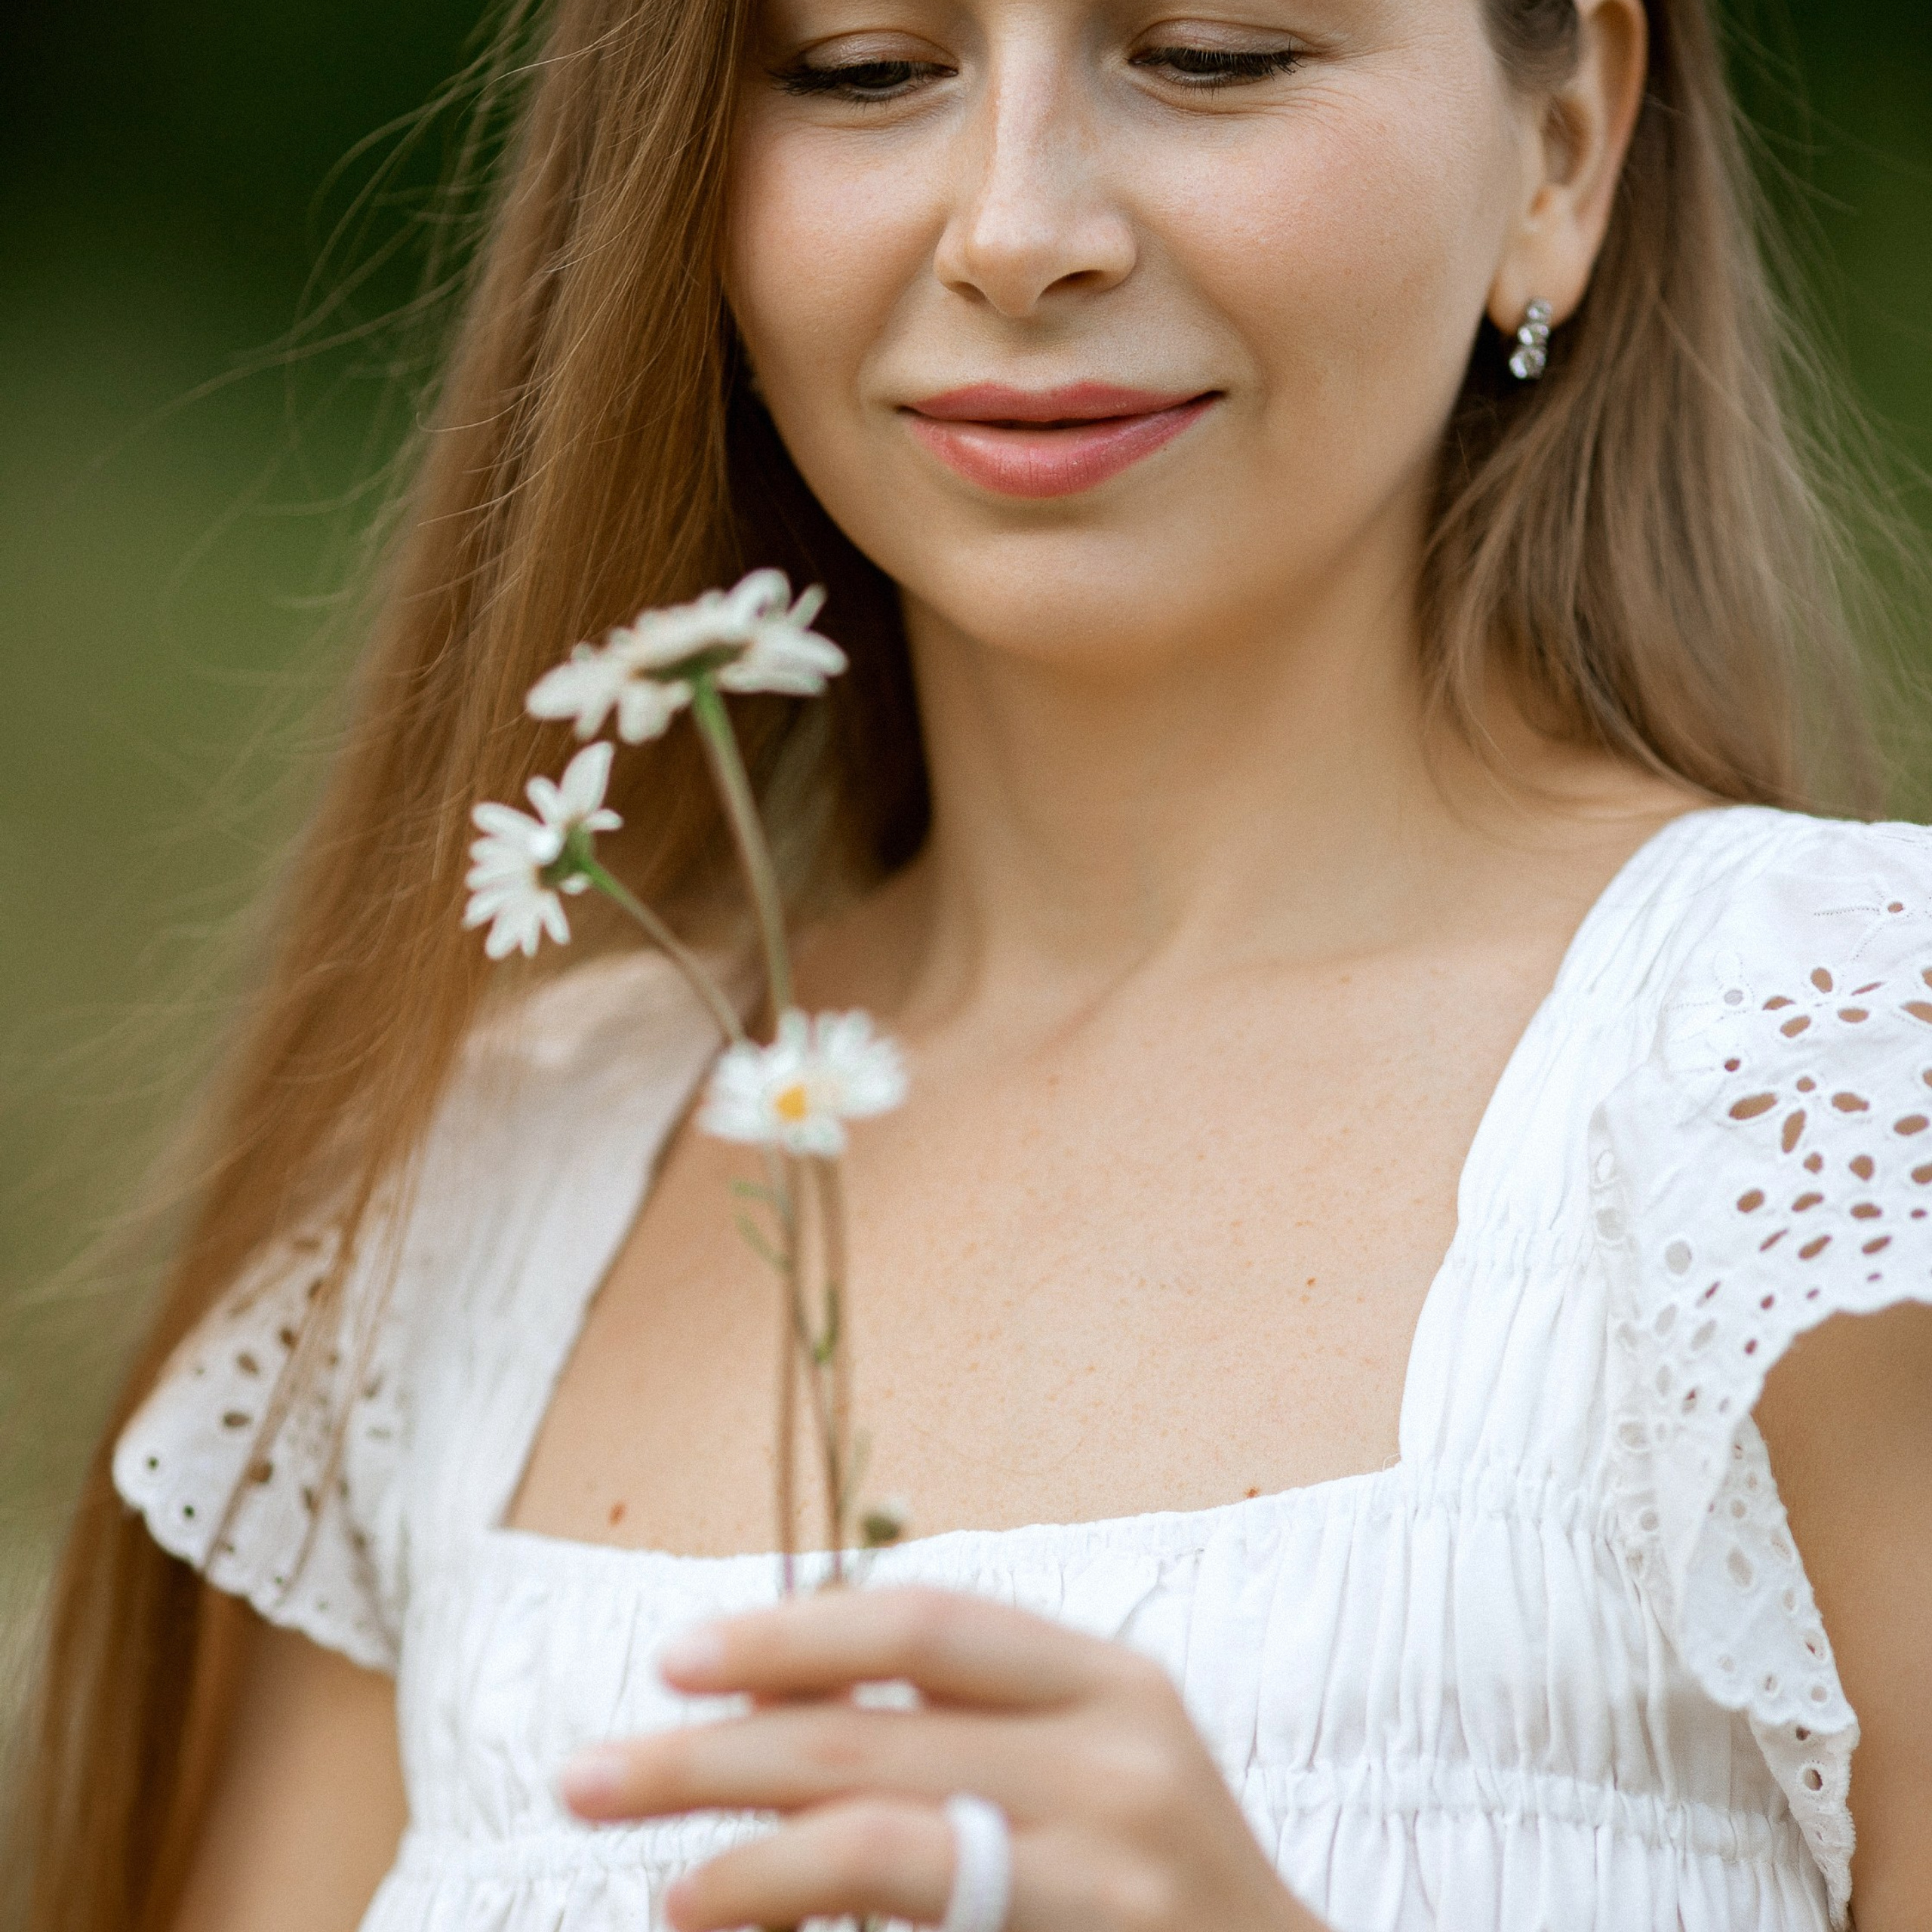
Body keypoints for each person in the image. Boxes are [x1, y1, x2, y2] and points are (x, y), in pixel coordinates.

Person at [13, 0, 1932, 1927]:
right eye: (863, 69)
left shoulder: (1830, 1092)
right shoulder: (494, 1195)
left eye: (1208, 55)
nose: (1016, 231)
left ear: (1567, 141)